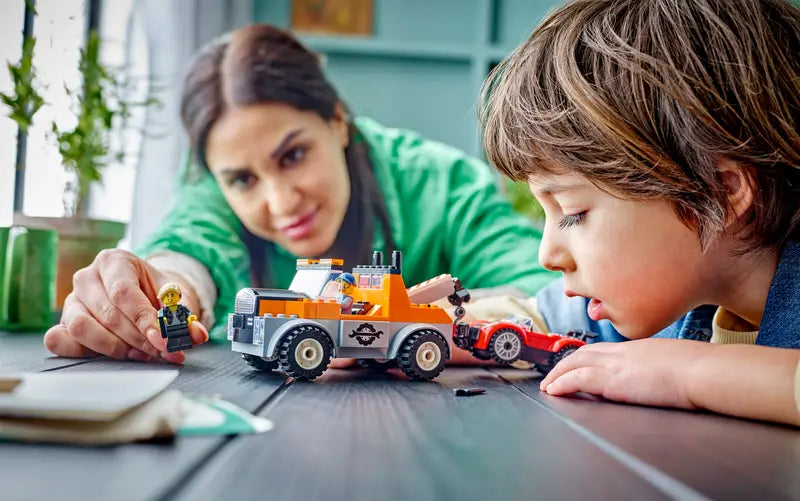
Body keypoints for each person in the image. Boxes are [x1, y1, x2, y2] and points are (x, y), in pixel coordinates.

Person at [43, 23, 557, 364]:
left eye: (292, 156)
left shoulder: (441, 183)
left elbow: (543, 288)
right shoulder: (210, 193)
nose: (282, 202)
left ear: (336, 121)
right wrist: (156, 293)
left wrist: (420, 325)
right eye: (243, 180)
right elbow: (188, 251)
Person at [478, 0, 800, 426]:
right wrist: (426, 330)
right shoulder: (677, 285)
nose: (549, 255)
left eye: (573, 213)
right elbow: (536, 320)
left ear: (721, 194)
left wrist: (690, 373)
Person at [156, 283, 197, 352]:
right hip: (170, 328)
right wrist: (162, 321)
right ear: (162, 299)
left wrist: (191, 317)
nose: (170, 298)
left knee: (185, 338)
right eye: (167, 296)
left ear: (179, 296)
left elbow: (188, 313)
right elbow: (159, 319)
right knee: (172, 340)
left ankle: (186, 345)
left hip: (182, 326)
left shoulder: (182, 308)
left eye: (172, 295)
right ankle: (173, 348)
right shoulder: (163, 311)